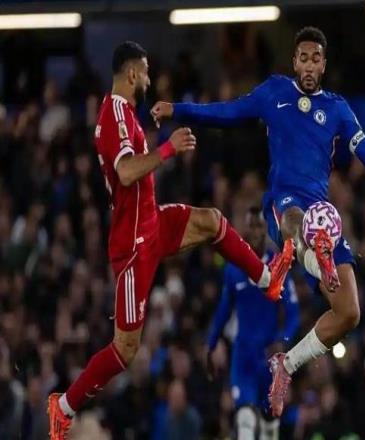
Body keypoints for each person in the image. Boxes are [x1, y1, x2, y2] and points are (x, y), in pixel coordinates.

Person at [150, 26, 365, 416]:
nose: (309, 65)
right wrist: (178, 109)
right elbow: (227, 112)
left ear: (324, 65)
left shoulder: (337, 109)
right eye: (303, 58)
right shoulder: (274, 92)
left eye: (316, 59)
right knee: (297, 220)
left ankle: (288, 363)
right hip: (283, 203)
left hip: (321, 213)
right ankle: (306, 253)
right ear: (295, 61)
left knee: (349, 312)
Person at [47, 41, 294, 439]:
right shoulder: (115, 114)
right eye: (145, 72)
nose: (149, 79)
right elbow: (126, 172)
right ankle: (63, 408)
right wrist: (168, 149)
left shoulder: (124, 113)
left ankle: (268, 278)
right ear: (132, 73)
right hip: (133, 245)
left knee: (212, 221)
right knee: (125, 349)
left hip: (152, 223)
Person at [205, 207, 300, 440]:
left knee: (269, 424)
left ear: (266, 229)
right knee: (244, 417)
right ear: (245, 230)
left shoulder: (279, 266)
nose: (256, 232)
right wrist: (211, 344)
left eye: (259, 226)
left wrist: (283, 340)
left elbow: (293, 313)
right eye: (252, 227)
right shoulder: (233, 270)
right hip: (243, 355)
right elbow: (223, 311)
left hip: (269, 356)